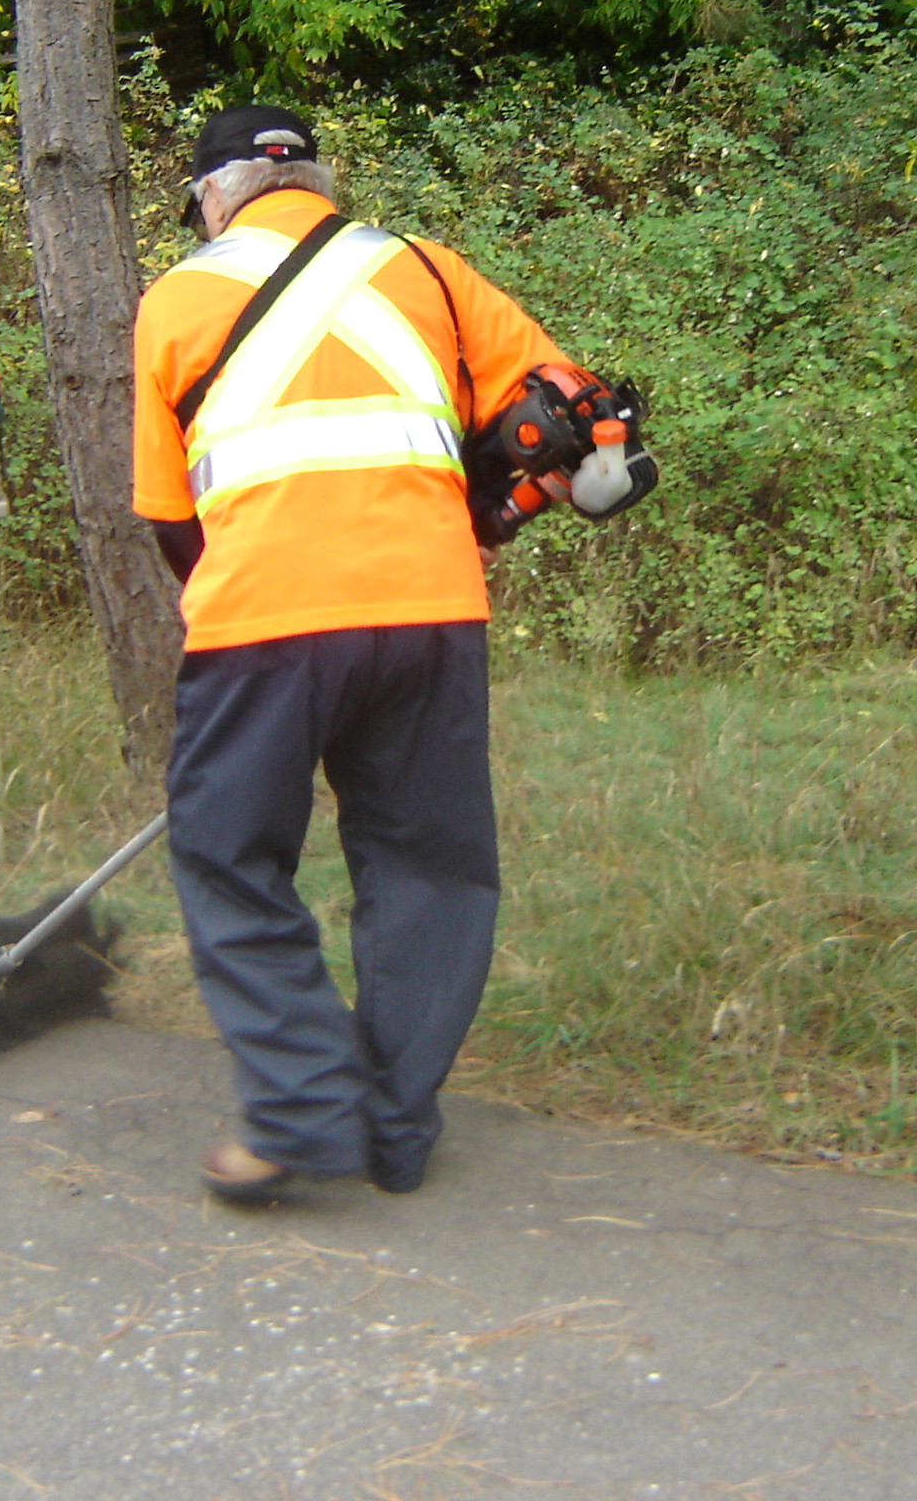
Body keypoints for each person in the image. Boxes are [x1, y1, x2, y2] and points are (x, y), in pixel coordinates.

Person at [132, 105, 563, 1202]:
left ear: (212, 198)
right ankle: (394, 1124)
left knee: (229, 854)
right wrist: (488, 514)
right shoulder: (429, 270)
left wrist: (232, 611)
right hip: (431, 610)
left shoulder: (177, 299)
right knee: (431, 868)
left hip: (263, 621)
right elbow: (564, 421)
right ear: (318, 184)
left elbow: (168, 518)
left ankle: (299, 1100)